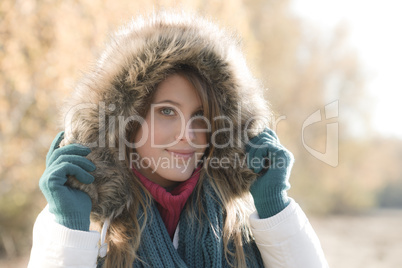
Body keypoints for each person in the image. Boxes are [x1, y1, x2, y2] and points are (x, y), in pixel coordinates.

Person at [28, 11, 328, 268]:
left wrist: (276, 208)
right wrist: (69, 231)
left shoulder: (244, 220)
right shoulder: (82, 219)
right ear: (124, 121)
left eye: (201, 115)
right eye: (168, 111)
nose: (188, 134)